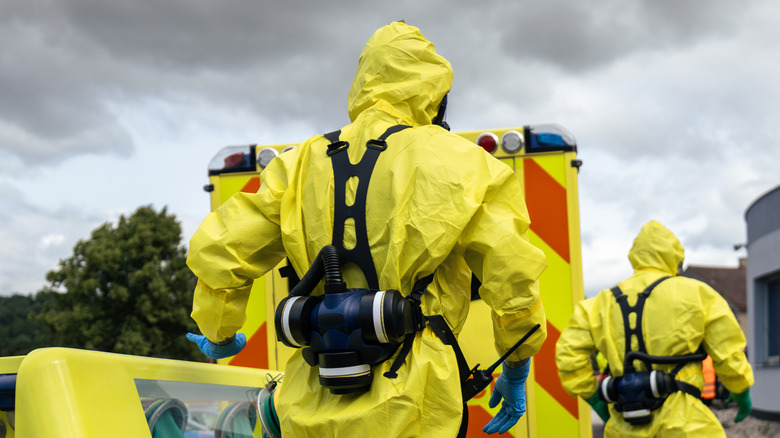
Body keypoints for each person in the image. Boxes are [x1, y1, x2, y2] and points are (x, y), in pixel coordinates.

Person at [186, 21, 547, 437]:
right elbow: (513, 281)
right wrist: (516, 369)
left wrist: (220, 334)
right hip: (417, 406)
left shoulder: (296, 164)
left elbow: (220, 252)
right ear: (435, 93)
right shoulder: (467, 166)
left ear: (362, 83)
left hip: (311, 402)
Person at [555, 220, 753, 437]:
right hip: (687, 426)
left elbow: (568, 357)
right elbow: (728, 352)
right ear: (675, 256)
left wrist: (596, 400)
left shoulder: (599, 304)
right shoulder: (699, 295)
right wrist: (740, 389)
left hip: (624, 426)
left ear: (635, 256)